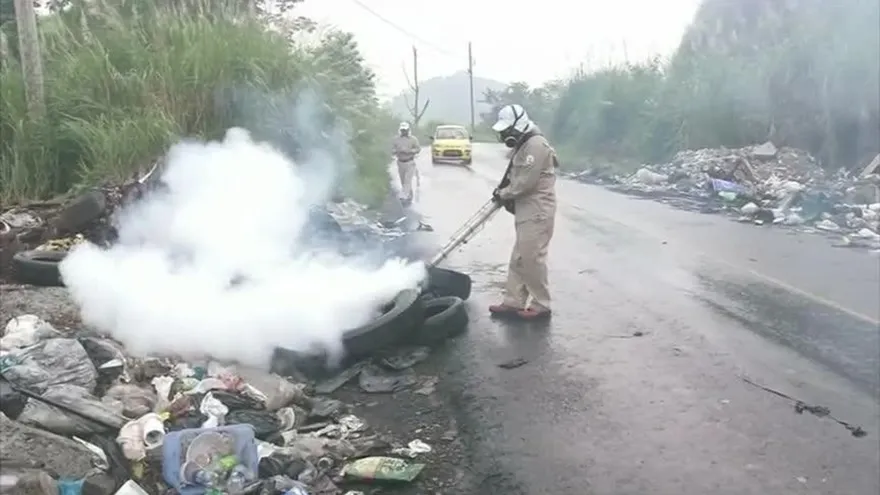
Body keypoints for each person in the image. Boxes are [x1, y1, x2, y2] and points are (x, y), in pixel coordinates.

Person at [488, 104, 559, 320]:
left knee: (532, 257)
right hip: (525, 209)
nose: (506, 135)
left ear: (519, 125)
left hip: (537, 210)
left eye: (508, 130)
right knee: (519, 257)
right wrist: (503, 191)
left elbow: (525, 183)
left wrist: (504, 193)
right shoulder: (524, 144)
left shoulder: (536, 145)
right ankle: (513, 301)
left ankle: (541, 304)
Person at [391, 121, 421, 205]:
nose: (404, 132)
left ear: (408, 130)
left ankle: (403, 196)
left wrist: (409, 151)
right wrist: (397, 151)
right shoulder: (396, 139)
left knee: (408, 180)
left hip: (410, 162)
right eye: (402, 130)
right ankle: (409, 195)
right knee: (403, 180)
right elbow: (392, 150)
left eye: (405, 130)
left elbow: (418, 149)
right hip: (400, 162)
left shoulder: (413, 139)